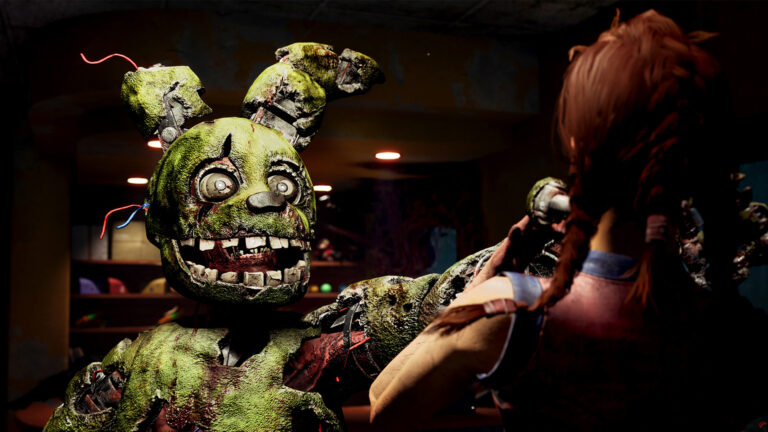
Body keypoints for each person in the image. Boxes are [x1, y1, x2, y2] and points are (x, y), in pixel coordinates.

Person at [369, 10, 768, 432]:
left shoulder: (510, 308)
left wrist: (482, 284)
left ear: (580, 146)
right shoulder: (738, 332)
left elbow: (383, 408)